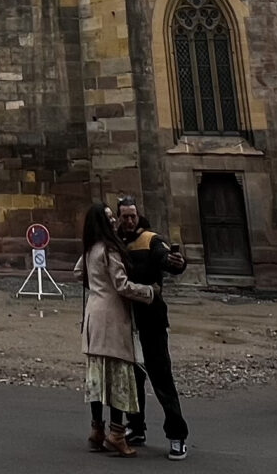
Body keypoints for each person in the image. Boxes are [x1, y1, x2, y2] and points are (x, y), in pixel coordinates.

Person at [113, 195, 190, 460]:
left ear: (138, 214)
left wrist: (175, 263)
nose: (129, 220)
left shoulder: (150, 239)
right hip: (127, 319)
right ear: (119, 217)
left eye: (132, 215)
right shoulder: (117, 242)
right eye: (125, 216)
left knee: (161, 377)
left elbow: (167, 258)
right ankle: (137, 427)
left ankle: (177, 435)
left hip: (152, 319)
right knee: (133, 379)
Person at [80, 202, 158, 458]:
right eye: (110, 218)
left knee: (97, 376)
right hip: (112, 317)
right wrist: (149, 292)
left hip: (93, 314)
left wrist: (96, 287)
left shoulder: (91, 248)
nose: (115, 221)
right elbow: (122, 285)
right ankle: (116, 433)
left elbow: (77, 272)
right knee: (117, 376)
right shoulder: (111, 249)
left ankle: (96, 430)